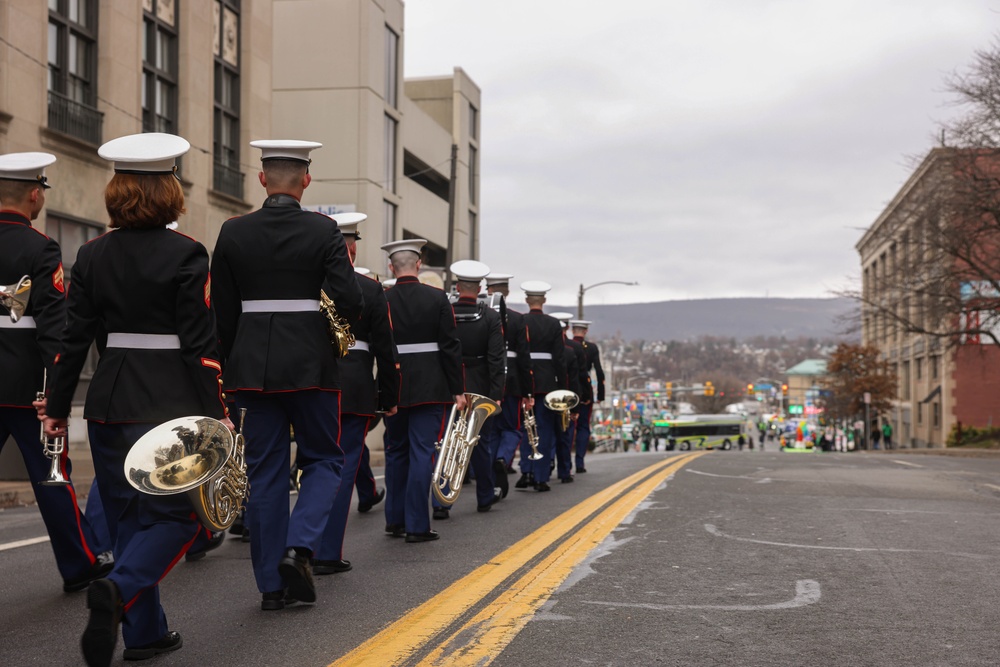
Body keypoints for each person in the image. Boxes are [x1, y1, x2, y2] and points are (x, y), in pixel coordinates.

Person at [41, 133, 230, 666]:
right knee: (178, 520)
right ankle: (119, 589)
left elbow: (73, 342)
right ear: (170, 190)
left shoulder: (92, 254)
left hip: (108, 402)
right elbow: (200, 349)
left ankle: (145, 635)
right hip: (169, 404)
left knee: (127, 521)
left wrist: (57, 409)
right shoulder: (188, 253)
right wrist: (219, 415)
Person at [211, 139, 364, 611]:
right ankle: (300, 549)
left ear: (261, 179)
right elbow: (350, 299)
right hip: (311, 364)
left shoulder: (233, 231)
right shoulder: (325, 231)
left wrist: (235, 359)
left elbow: (222, 311)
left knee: (266, 474)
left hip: (252, 367)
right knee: (324, 460)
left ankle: (269, 588)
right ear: (306, 180)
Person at [0, 151, 112, 593]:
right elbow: (53, 328)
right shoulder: (40, 247)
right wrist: (56, 390)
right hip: (25, 386)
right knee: (53, 476)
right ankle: (79, 564)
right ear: (33, 195)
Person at [313, 215, 398, 575]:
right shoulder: (369, 287)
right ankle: (325, 552)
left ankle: (301, 543)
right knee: (344, 467)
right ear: (351, 247)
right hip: (356, 386)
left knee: (314, 464)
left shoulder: (307, 283)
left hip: (312, 380)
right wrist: (389, 396)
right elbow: (385, 349)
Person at [380, 239, 464, 542]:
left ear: (392, 266)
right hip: (431, 385)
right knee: (421, 453)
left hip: (395, 384)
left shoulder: (382, 299)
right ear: (418, 265)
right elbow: (450, 347)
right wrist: (458, 390)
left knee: (396, 451)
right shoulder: (438, 297)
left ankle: (395, 519)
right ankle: (417, 525)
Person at [432, 261, 505, 518]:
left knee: (446, 442)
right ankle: (484, 497)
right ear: (481, 288)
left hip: (447, 382)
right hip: (480, 383)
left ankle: (441, 503)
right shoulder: (491, 316)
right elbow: (497, 359)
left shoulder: (444, 310)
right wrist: (497, 394)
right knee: (478, 444)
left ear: (457, 286)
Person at [518, 281, 567, 492]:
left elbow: (519, 354)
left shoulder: (521, 321)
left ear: (527, 300)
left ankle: (526, 471)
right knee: (544, 431)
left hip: (524, 381)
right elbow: (560, 360)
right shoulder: (554, 324)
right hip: (547, 383)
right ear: (544, 301)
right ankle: (541, 476)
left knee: (526, 427)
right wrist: (563, 388)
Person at [483, 273, 533, 480]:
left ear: (488, 291)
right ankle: (503, 458)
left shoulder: (481, 314)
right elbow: (523, 357)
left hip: (487, 378)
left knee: (492, 430)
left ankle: (493, 466)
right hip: (511, 381)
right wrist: (527, 390)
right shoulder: (517, 318)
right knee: (512, 428)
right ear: (508, 292)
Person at [552, 312, 585, 483]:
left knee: (546, 434)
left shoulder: (545, 350)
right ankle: (565, 471)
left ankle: (542, 469)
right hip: (564, 398)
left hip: (545, 394)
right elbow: (576, 380)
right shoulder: (572, 350)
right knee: (564, 436)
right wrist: (576, 406)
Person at [569, 319, 604, 472]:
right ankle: (580, 462)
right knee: (583, 427)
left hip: (567, 389)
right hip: (585, 391)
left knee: (568, 426)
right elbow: (599, 372)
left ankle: (565, 462)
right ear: (585, 331)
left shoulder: (566, 345)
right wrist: (600, 395)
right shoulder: (591, 348)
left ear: (571, 329)